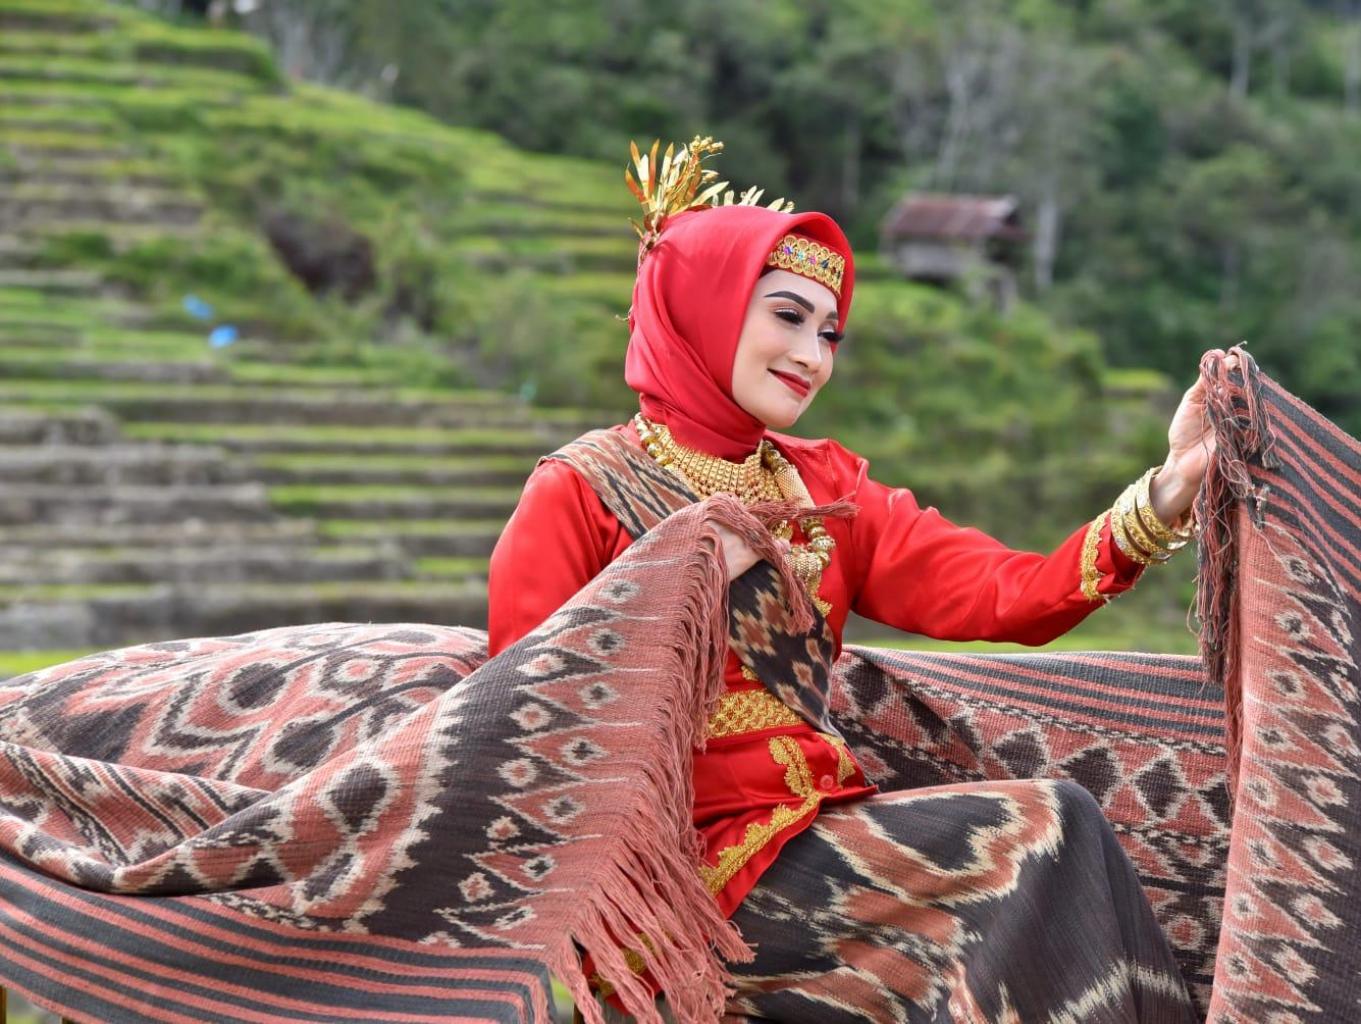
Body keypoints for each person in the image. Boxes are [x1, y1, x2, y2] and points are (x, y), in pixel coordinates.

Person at [488, 138, 1205, 1022]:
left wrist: (1166, 494)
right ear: (701, 307)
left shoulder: (823, 489)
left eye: (828, 333)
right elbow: (527, 728)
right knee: (1043, 828)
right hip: (679, 870)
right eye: (787, 317)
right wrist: (680, 579)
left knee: (1066, 839)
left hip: (816, 827)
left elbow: (1002, 592)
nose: (812, 355)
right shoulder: (580, 491)